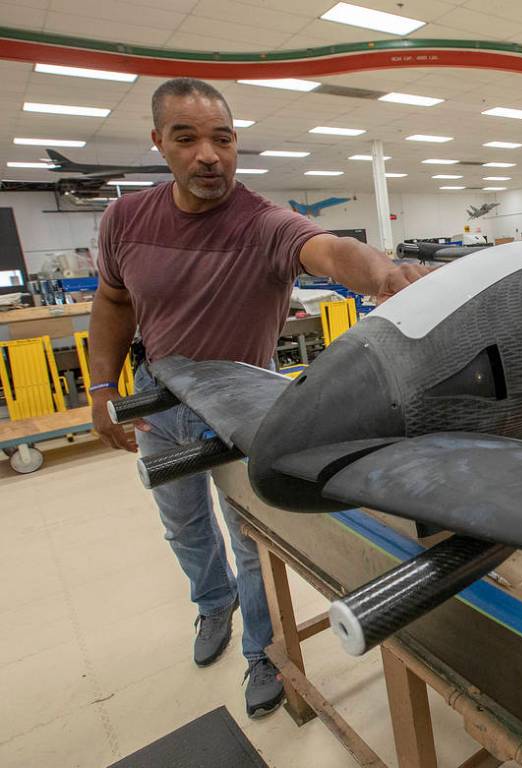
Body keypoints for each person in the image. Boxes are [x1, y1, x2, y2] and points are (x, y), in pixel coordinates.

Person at [87, 77, 429, 718]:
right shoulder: (125, 220)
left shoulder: (262, 222)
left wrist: (384, 274)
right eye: (186, 139)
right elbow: (112, 300)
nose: (207, 155)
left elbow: (327, 249)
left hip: (244, 402)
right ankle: (211, 606)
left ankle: (261, 653)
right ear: (159, 142)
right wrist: (102, 384)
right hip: (159, 398)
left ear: (235, 143)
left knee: (253, 538)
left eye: (221, 138)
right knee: (183, 524)